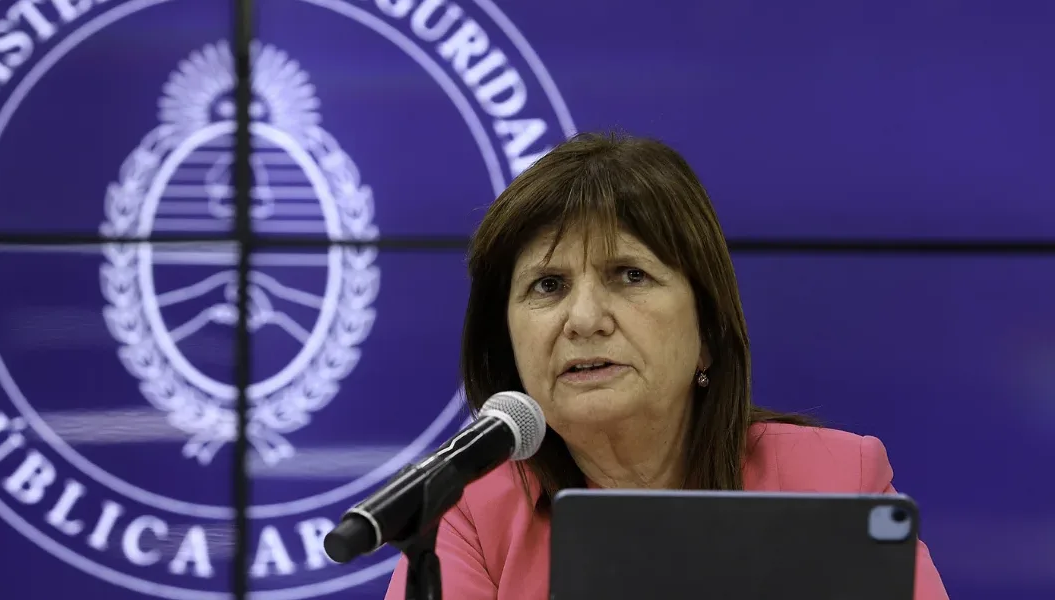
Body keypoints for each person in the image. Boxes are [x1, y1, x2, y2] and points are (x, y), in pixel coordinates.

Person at [383, 132, 947, 599]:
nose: (584, 319)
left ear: (708, 333)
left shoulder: (838, 484)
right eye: (548, 285)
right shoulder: (466, 512)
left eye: (630, 275)